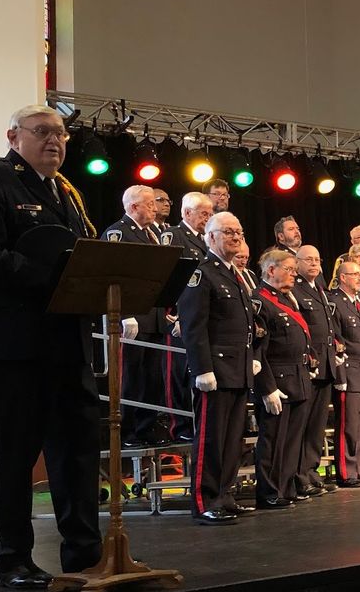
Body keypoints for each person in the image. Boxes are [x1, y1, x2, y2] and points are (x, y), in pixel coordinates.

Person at [0, 104, 102, 589]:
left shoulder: (68, 192)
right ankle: (13, 557)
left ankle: (84, 553)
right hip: (16, 341)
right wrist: (51, 280)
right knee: (18, 454)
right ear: (13, 136)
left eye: (61, 134)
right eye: (43, 132)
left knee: (78, 450)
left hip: (68, 339)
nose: (55, 141)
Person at [177, 211, 257, 523]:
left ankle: (225, 494)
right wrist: (201, 369)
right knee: (211, 439)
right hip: (215, 370)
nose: (236, 238)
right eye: (228, 232)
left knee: (232, 440)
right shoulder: (202, 272)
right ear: (211, 238)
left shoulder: (235, 274)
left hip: (237, 370)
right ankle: (205, 500)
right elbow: (193, 325)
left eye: (238, 232)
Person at [103, 185, 168, 448]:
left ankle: (146, 427)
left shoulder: (152, 234)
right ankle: (127, 430)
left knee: (152, 377)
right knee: (130, 376)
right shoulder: (119, 232)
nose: (155, 208)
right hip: (130, 318)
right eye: (150, 204)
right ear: (133, 207)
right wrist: (125, 314)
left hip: (152, 315)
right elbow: (114, 272)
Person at [252, 250, 312, 508]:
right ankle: (269, 491)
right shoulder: (261, 300)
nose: (294, 274)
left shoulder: (288, 300)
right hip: (277, 380)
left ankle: (286, 487)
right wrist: (267, 388)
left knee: (292, 441)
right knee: (273, 440)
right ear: (271, 270)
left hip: (297, 378)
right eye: (288, 269)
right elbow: (258, 350)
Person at [162, 192, 212, 442]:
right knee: (178, 373)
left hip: (202, 316)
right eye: (204, 213)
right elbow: (168, 276)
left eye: (210, 213)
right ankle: (179, 427)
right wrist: (176, 313)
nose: (208, 218)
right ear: (186, 213)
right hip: (179, 315)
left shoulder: (206, 240)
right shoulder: (174, 235)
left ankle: (198, 424)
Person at [293, 245, 338, 495]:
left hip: (325, 364)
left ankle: (312, 471)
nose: (314, 263)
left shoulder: (318, 288)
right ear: (297, 262)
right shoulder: (296, 289)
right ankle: (299, 476)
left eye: (317, 259)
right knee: (304, 424)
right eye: (308, 259)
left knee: (317, 426)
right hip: (309, 365)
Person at [329, 258, 360, 487]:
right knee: (348, 426)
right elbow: (337, 340)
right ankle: (347, 472)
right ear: (343, 277)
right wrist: (340, 376)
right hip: (349, 371)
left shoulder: (358, 303)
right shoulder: (336, 302)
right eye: (355, 274)